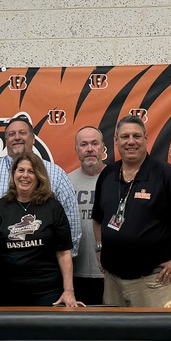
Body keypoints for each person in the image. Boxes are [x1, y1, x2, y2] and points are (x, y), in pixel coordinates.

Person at [92, 116, 171, 308]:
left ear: (146, 138)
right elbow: (98, 219)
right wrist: (99, 248)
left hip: (153, 283)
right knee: (115, 337)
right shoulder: (107, 175)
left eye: (136, 136)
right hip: (112, 282)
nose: (131, 141)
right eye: (125, 136)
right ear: (116, 141)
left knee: (153, 337)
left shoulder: (166, 175)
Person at [0, 151, 78, 308]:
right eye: (21, 170)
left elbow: (64, 253)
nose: (25, 175)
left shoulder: (53, 207)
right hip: (9, 290)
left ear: (39, 176)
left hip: (47, 291)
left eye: (31, 171)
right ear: (14, 174)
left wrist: (69, 291)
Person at [0, 116, 81, 255]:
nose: (17, 137)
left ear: (33, 138)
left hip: (43, 268)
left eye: (22, 133)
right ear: (6, 141)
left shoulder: (56, 174)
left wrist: (64, 258)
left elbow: (71, 220)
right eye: (11, 134)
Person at [68, 125, 106, 306]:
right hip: (75, 273)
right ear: (76, 150)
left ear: (103, 148)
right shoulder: (65, 182)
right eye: (83, 144)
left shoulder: (117, 178)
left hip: (111, 274)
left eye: (94, 143)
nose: (90, 149)